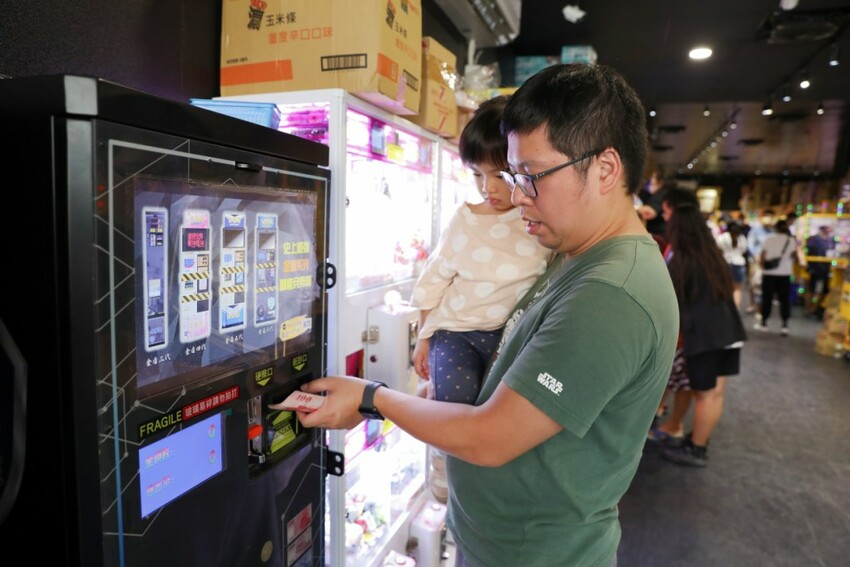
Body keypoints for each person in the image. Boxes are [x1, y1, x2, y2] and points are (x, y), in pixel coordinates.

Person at [296, 63, 679, 567]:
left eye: (531, 176)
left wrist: (371, 399)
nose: (516, 194)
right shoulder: (574, 256)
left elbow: (491, 437)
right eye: (512, 175)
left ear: (605, 169)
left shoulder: (612, 294)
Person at [409, 95, 552, 503]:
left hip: (509, 337)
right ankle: (445, 483)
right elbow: (434, 279)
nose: (488, 189)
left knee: (498, 426)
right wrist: (424, 337)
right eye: (477, 176)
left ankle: (484, 495)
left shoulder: (537, 221)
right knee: (450, 410)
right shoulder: (465, 219)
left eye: (500, 175)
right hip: (454, 333)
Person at [659, 202, 747, 467]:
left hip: (707, 336)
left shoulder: (682, 260)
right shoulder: (711, 255)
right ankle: (697, 441)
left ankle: (696, 448)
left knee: (705, 394)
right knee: (714, 394)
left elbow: (670, 300)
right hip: (728, 332)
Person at [755, 219, 806, 335]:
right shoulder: (791, 241)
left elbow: (762, 256)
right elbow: (796, 257)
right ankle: (784, 324)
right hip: (785, 274)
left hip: (769, 274)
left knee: (767, 298)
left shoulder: (769, 239)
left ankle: (764, 322)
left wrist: (762, 268)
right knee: (784, 300)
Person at [746, 208, 776, 316]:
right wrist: (756, 255)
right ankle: (753, 304)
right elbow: (750, 244)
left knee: (766, 285)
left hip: (770, 262)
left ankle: (762, 308)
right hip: (756, 262)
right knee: (754, 284)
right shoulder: (756, 230)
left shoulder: (775, 231)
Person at [715, 221, 749, 309]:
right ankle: (735, 308)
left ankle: (726, 307)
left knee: (725, 287)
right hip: (739, 264)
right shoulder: (741, 238)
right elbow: (744, 251)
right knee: (737, 289)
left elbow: (718, 250)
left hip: (725, 263)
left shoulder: (722, 237)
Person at [804, 225, 834, 318]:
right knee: (815, 291)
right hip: (817, 271)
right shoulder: (815, 240)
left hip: (822, 271)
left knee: (818, 291)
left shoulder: (828, 240)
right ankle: (811, 308)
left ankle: (813, 308)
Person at [638, 166, 671, 237]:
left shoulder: (662, 194)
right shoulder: (654, 194)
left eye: (653, 177)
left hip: (659, 236)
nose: (651, 180)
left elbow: (648, 212)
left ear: (660, 181)